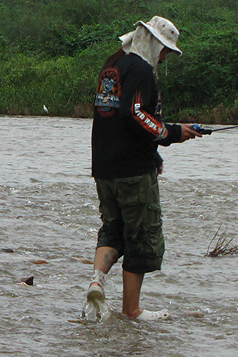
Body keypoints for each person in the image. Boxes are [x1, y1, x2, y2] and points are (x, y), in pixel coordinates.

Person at [85, 16, 202, 321]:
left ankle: (97, 281)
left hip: (104, 167)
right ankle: (132, 310)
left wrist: (156, 154)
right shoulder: (140, 69)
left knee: (113, 229)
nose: (164, 57)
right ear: (151, 42)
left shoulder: (114, 65)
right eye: (164, 50)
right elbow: (134, 113)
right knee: (141, 237)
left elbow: (116, 119)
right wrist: (172, 133)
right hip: (132, 172)